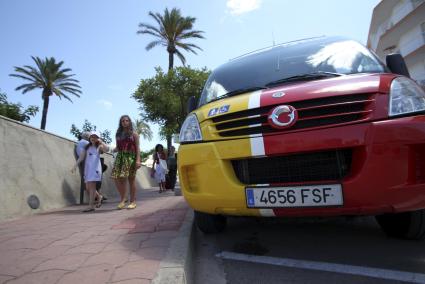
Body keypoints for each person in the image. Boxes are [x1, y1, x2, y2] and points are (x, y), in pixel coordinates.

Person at [72, 131, 109, 212]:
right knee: (88, 187)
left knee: (92, 188)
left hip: (95, 169)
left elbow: (107, 149)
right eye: (92, 137)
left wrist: (101, 141)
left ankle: (91, 206)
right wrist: (75, 165)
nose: (93, 138)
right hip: (88, 169)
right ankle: (99, 197)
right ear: (89, 138)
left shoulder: (99, 146)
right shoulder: (87, 147)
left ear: (97, 138)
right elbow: (81, 157)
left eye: (95, 137)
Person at [111, 115, 141, 210]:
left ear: (129, 122)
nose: (124, 122)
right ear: (120, 123)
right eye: (122, 121)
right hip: (120, 157)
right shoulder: (118, 135)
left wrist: (138, 160)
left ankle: (133, 202)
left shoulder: (134, 134)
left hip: (131, 157)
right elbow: (117, 148)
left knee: (131, 179)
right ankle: (123, 198)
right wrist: (107, 149)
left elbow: (137, 148)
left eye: (126, 120)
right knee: (116, 177)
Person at [75, 131, 90, 204]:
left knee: (87, 179)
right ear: (87, 137)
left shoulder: (80, 142)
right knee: (89, 180)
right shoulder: (85, 142)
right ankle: (98, 196)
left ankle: (97, 195)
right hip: (85, 161)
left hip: (83, 161)